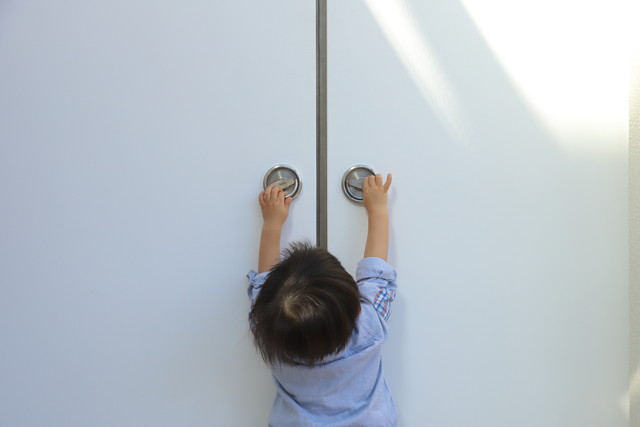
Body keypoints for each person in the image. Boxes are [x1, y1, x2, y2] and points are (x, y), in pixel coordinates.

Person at [247, 173, 398, 426]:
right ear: (356, 308)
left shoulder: (269, 330)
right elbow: (377, 274)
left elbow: (263, 285)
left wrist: (272, 224)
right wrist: (377, 209)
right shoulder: (369, 326)